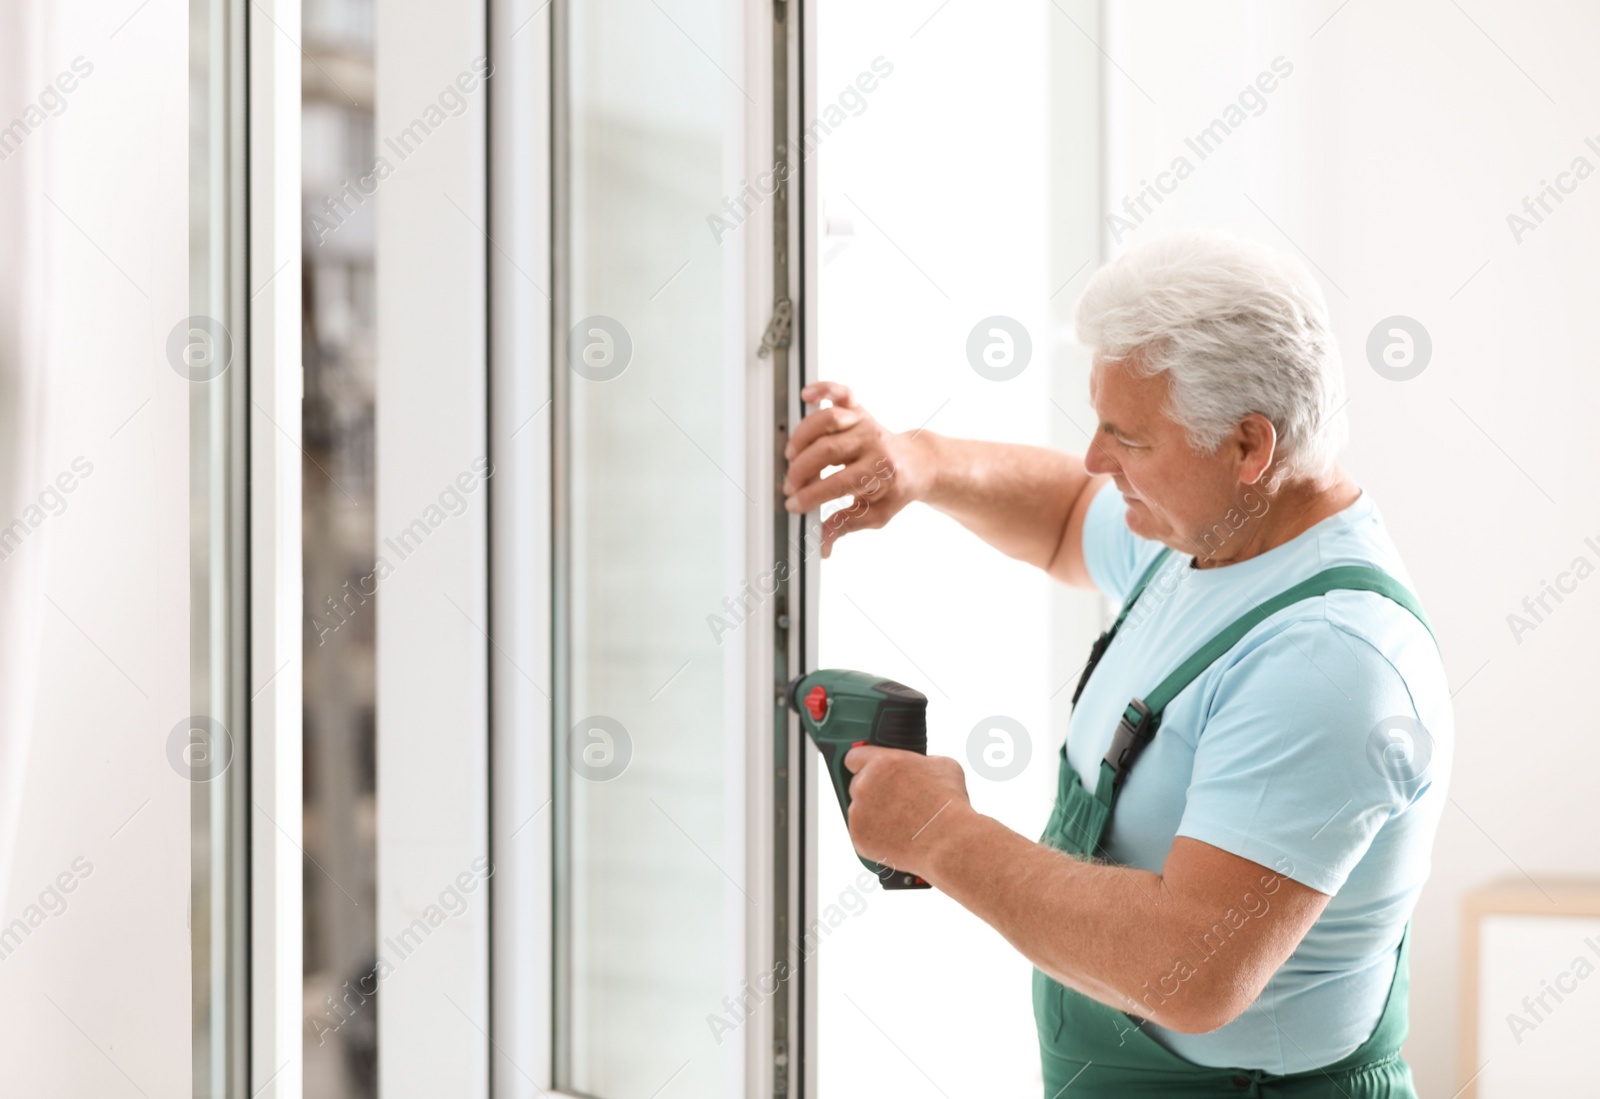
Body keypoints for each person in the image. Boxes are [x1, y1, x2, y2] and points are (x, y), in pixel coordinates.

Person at [781, 230, 1451, 1097]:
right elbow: (1066, 515)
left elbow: (1191, 965)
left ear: (1250, 446)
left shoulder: (1330, 663)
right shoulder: (1212, 534)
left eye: (1126, 437)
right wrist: (921, 462)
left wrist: (938, 836)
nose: (1097, 459)